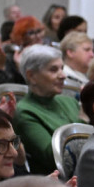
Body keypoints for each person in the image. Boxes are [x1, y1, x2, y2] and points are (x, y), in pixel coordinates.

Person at [13, 45, 81, 173]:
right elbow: (54, 158)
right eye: (53, 70)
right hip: (56, 182)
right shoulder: (24, 112)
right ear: (31, 76)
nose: (63, 75)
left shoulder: (69, 101)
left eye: (62, 68)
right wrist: (84, 116)